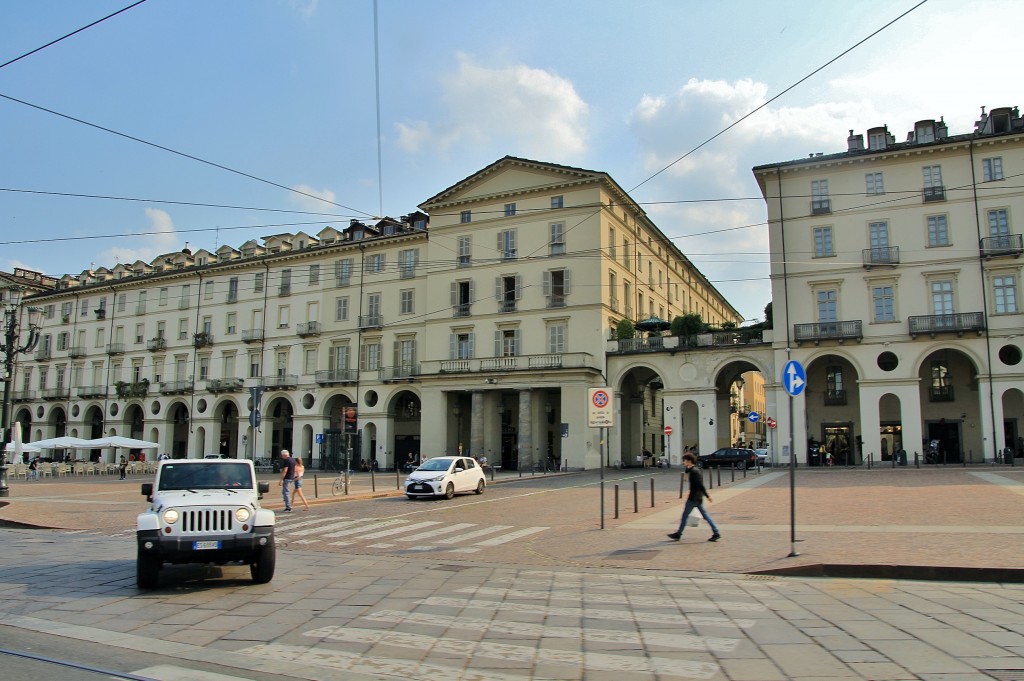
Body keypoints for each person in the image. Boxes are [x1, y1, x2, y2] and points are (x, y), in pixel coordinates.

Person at [667, 451, 721, 543]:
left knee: (685, 516)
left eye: (684, 460)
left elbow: (700, 485)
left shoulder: (694, 472)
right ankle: (716, 532)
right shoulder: (694, 470)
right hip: (698, 498)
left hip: (693, 498)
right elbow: (687, 471)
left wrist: (708, 496)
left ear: (689, 461)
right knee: (706, 516)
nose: (683, 462)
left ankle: (678, 534)